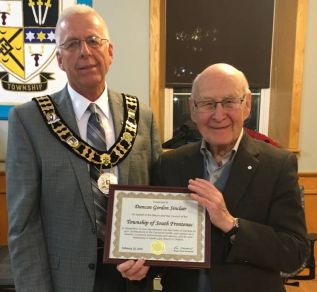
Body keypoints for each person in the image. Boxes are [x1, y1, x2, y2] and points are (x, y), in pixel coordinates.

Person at [6, 4, 161, 292]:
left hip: (132, 279)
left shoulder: (141, 115)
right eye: (72, 44)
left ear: (110, 52)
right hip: (66, 281)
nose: (85, 52)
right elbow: (23, 226)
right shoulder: (30, 121)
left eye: (93, 41)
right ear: (60, 60)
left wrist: (150, 259)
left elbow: (157, 200)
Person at [144, 63, 309, 292]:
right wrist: (142, 266)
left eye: (229, 102)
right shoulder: (170, 164)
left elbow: (294, 254)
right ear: (193, 109)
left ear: (247, 105)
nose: (219, 115)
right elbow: (159, 246)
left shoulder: (278, 165)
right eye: (207, 104)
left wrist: (231, 224)